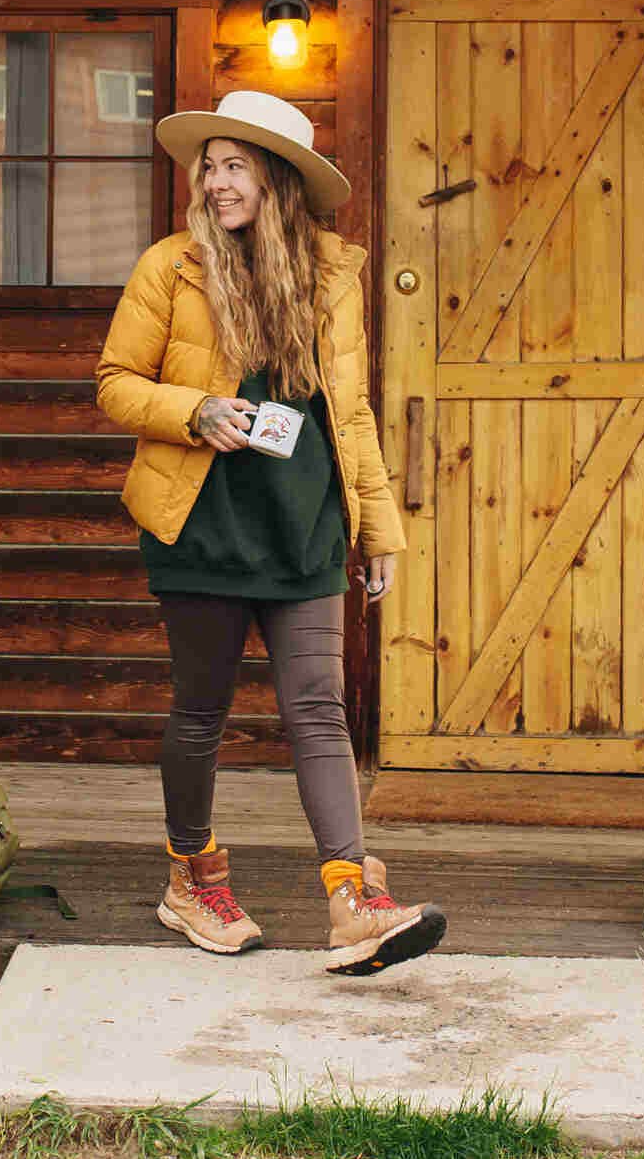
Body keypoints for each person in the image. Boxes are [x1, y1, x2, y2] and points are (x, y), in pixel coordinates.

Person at [95, 87, 447, 975]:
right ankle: (192, 877)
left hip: (304, 524)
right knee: (203, 712)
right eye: (207, 167)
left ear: (279, 179)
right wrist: (194, 407)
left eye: (234, 166)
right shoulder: (169, 268)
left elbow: (351, 411)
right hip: (202, 522)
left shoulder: (330, 276)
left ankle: (353, 901)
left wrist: (378, 530)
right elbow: (115, 382)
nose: (215, 183)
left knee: (319, 713)